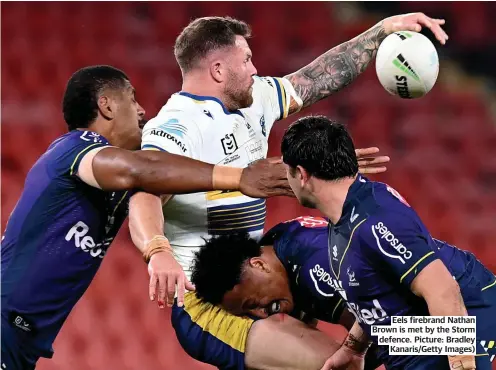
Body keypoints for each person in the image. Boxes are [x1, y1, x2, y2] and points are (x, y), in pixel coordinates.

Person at [129, 12, 448, 370]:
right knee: (337, 364)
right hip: (210, 300)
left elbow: (318, 77)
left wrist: (381, 31)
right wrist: (156, 250)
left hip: (266, 268)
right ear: (218, 70)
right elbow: (145, 190)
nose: (254, 69)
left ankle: (470, 334)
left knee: (390, 328)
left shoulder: (254, 100)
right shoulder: (177, 127)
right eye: (246, 59)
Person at [0, 65, 295, 370]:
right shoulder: (73, 149)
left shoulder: (108, 180)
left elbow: (157, 178)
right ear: (107, 105)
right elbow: (139, 169)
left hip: (23, 341)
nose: (142, 111)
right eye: (132, 99)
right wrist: (239, 177)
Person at [279, 115, 495, 370]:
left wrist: (463, 366)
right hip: (417, 328)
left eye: (286, 170)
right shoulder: (344, 218)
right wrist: (353, 348)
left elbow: (443, 290)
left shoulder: (375, 219)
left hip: (464, 318)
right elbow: (374, 292)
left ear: (301, 174)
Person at [191, 215, 496, 369]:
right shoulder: (280, 242)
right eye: (248, 313)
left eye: (251, 303)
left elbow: (375, 331)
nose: (260, 313)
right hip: (446, 300)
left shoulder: (314, 267)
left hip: (462, 309)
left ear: (258, 265)